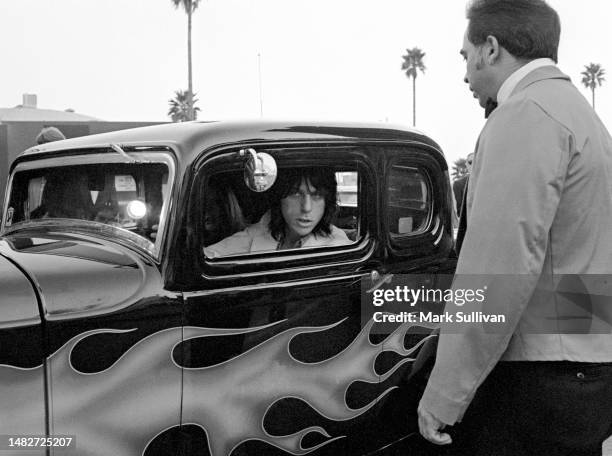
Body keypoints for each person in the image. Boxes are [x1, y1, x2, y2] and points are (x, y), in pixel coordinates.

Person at [417, 1, 612, 455]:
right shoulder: (584, 118)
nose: (465, 75)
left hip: (537, 382)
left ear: (490, 49)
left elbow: (498, 268)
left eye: (464, 57)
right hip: (585, 370)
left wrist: (445, 393)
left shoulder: (526, 114)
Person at [205, 168, 351, 257]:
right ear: (280, 197)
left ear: (327, 201)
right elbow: (210, 255)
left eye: (317, 195)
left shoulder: (338, 247)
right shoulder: (264, 228)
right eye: (295, 194)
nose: (306, 207)